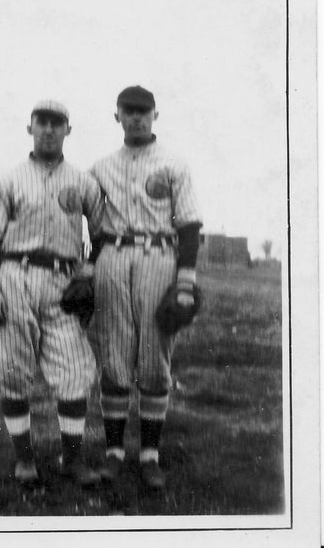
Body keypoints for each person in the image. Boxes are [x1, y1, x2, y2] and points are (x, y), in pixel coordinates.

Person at [0, 100, 103, 487]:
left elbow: (101, 233)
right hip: (15, 274)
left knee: (75, 371)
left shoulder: (83, 182)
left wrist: (88, 271)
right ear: (29, 128)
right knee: (12, 370)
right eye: (42, 122)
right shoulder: (10, 180)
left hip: (62, 282)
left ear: (68, 129)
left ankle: (73, 459)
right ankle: (25, 458)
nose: (49, 129)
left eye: (57, 122)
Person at [90, 85, 202, 489]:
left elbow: (189, 225)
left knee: (155, 357)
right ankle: (115, 452)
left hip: (159, 255)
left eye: (144, 111)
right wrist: (89, 269)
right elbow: (92, 230)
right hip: (113, 258)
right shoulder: (99, 168)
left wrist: (186, 281)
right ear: (116, 115)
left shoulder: (174, 164)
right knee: (115, 356)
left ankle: (150, 454)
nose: (136, 117)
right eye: (128, 110)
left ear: (156, 115)